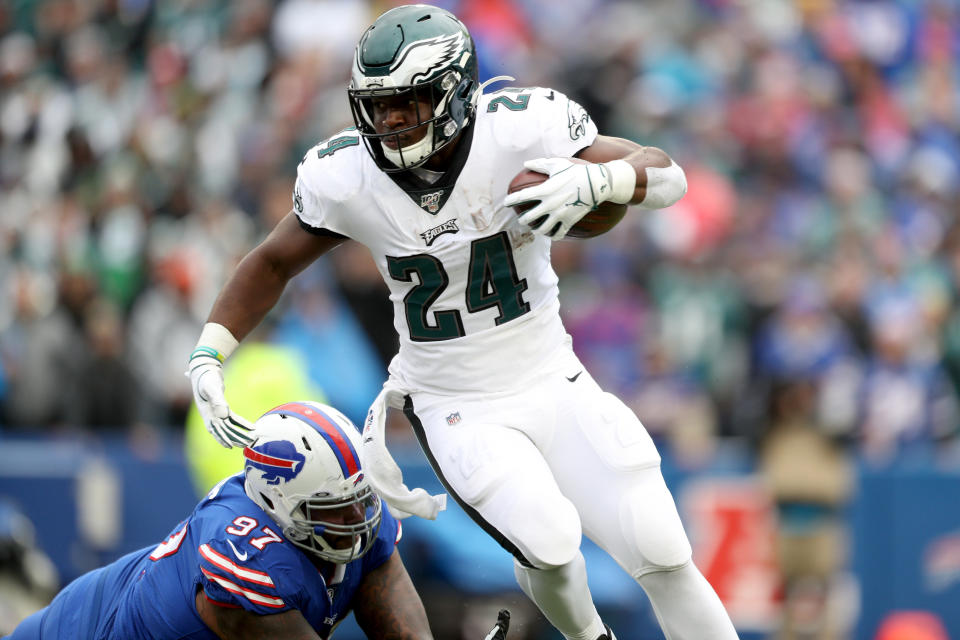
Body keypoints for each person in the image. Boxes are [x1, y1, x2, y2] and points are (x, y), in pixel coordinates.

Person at [187, 5, 739, 639]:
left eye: (409, 102)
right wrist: (208, 351)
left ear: (453, 89)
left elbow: (667, 175)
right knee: (551, 541)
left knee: (661, 543)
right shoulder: (347, 176)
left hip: (551, 374)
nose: (390, 121)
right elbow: (274, 260)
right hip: (456, 402)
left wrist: (601, 182)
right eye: (380, 105)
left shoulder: (521, 128)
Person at [3, 400, 511, 640]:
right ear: (280, 504)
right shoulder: (244, 556)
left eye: (359, 499)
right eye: (336, 507)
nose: (357, 518)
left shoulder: (351, 521)